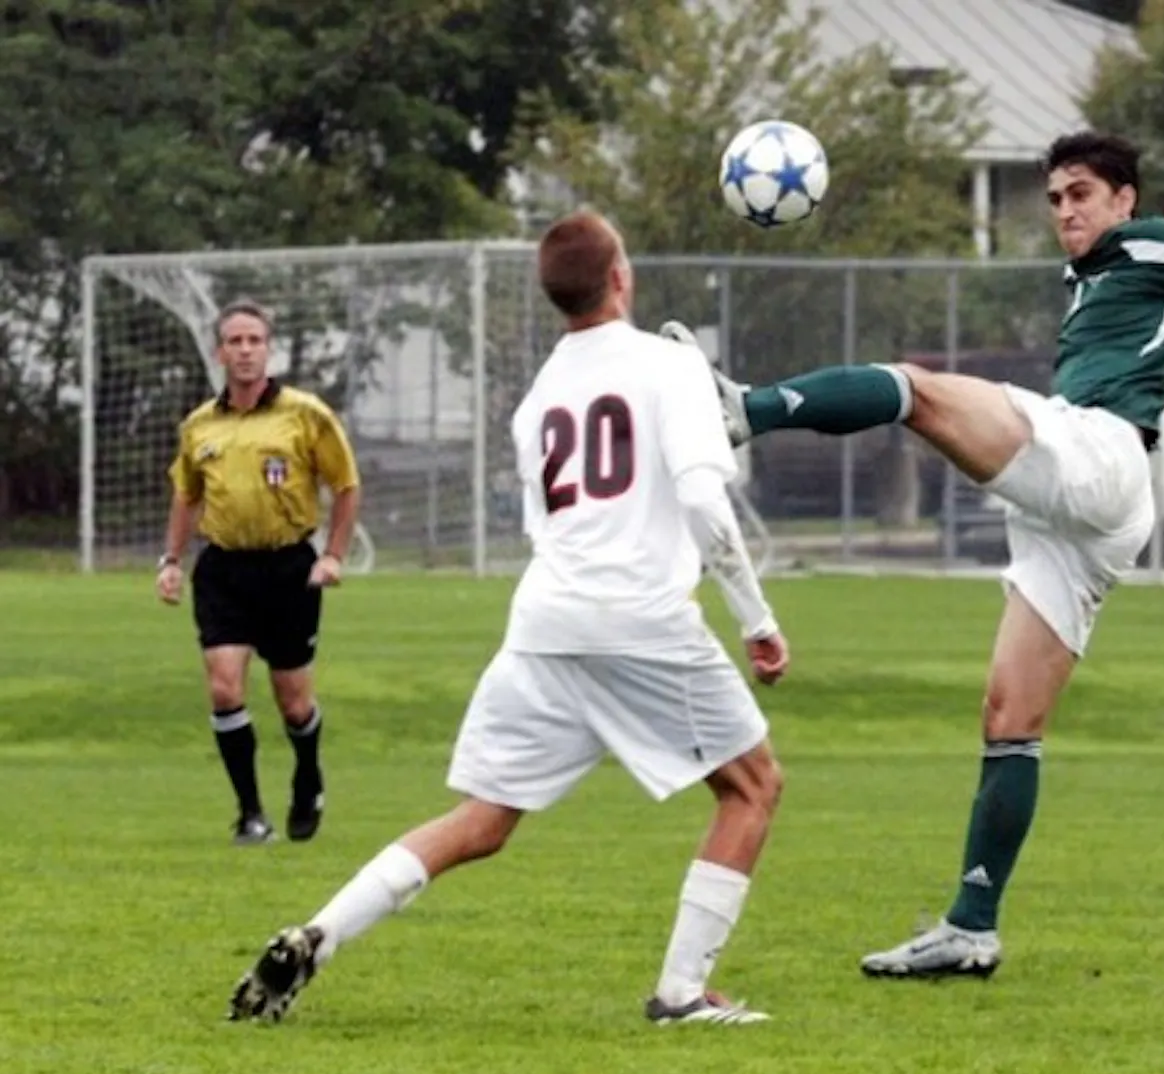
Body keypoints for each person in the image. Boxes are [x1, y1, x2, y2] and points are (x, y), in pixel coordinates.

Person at [661, 131, 1164, 980]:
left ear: (1124, 200)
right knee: (1008, 721)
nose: (1064, 210)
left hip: (1099, 456)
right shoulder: (1109, 259)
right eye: (1054, 197)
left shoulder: (1139, 240)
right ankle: (971, 927)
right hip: (1083, 511)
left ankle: (743, 410)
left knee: (912, 386)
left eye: (1081, 193)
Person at [227, 209, 790, 1028]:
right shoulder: (672, 366)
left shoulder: (538, 399)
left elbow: (546, 524)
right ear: (622, 278)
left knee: (482, 820)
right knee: (753, 786)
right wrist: (757, 619)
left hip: (545, 623)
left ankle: (320, 933)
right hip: (640, 621)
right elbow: (704, 496)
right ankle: (681, 993)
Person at [158, 299, 361, 846]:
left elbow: (345, 485)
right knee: (225, 689)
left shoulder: (305, 413)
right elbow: (186, 494)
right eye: (235, 342)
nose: (245, 351)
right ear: (220, 351)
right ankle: (250, 814)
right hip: (223, 569)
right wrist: (172, 561)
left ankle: (308, 776)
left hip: (289, 568)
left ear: (267, 349)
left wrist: (333, 555)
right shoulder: (199, 425)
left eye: (255, 341)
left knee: (293, 700)